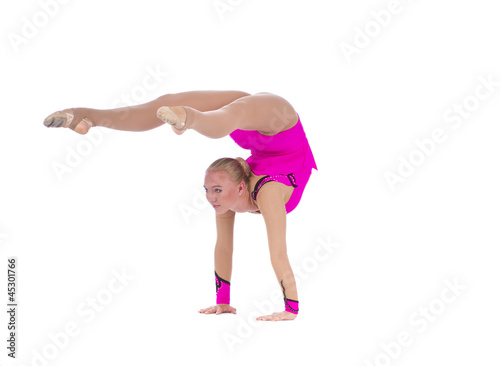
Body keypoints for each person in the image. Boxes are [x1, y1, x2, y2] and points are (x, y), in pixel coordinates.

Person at [43, 90, 318, 321]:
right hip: (275, 123)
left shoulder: (255, 194)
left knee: (230, 116)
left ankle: (189, 118)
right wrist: (224, 302)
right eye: (209, 191)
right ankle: (83, 115)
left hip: (265, 121)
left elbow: (276, 253)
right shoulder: (234, 195)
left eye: (216, 191)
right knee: (168, 102)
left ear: (240, 188)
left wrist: (289, 310)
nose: (211, 198)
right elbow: (225, 246)